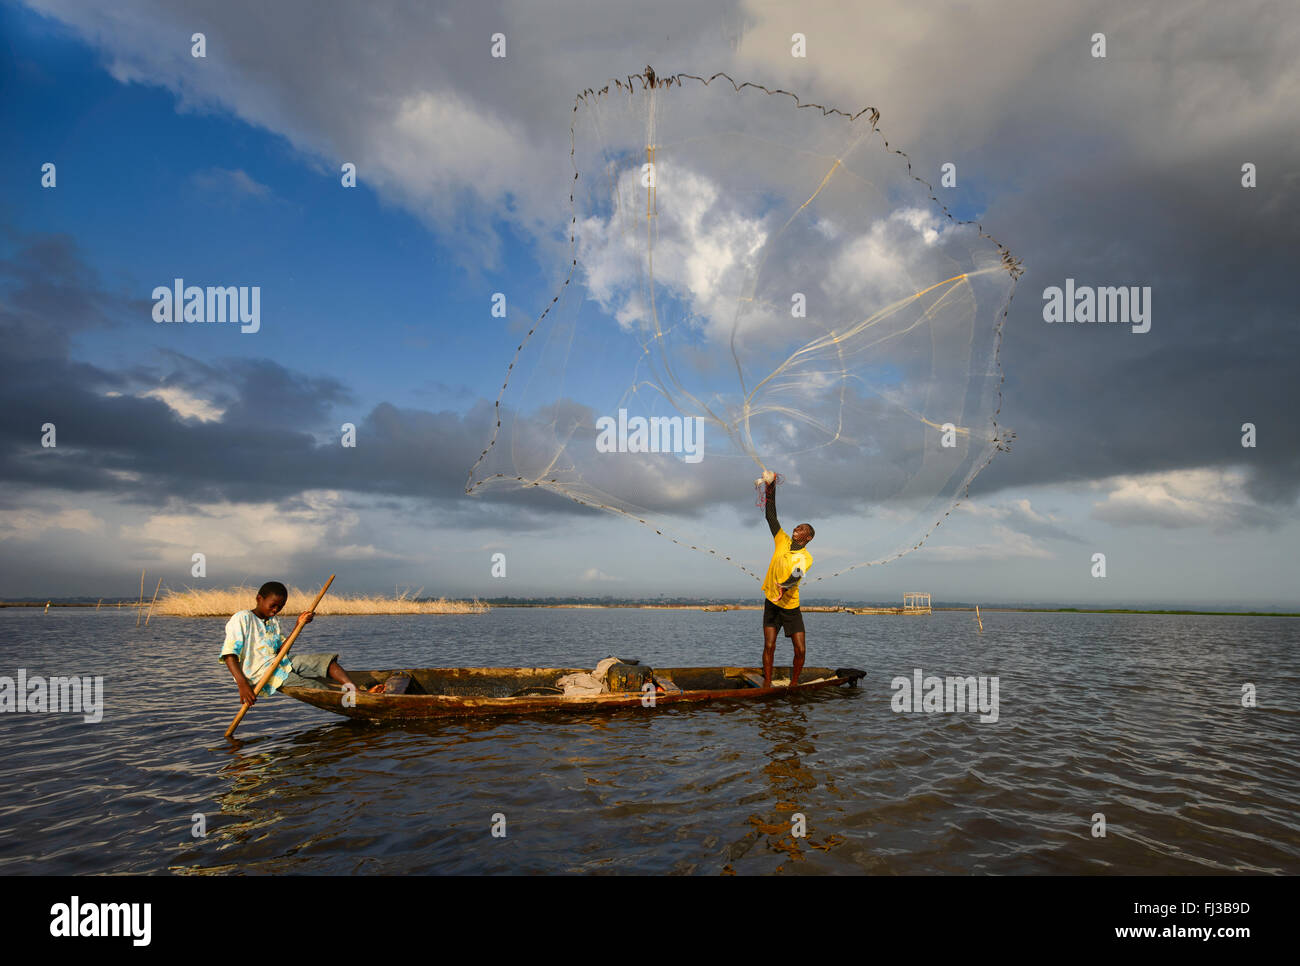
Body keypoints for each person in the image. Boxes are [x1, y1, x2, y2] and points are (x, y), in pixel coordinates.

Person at [220, 581, 371, 706]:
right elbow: (229, 654)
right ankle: (353, 701)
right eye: (272, 605)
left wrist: (299, 624)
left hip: (280, 663)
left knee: (327, 662)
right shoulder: (242, 618)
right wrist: (242, 684)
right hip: (262, 674)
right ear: (259, 599)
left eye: (280, 607)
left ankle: (354, 691)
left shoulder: (273, 621)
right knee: (316, 688)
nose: (275, 610)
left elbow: (281, 652)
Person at [760, 476, 814, 687]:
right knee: (769, 645)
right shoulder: (781, 539)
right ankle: (766, 684)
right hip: (772, 602)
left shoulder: (806, 557)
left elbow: (797, 574)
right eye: (797, 526)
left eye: (802, 529)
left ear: (808, 538)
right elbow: (770, 515)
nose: (797, 529)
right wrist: (770, 486)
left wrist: (785, 587)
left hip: (791, 606)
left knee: (800, 649)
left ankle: (794, 684)